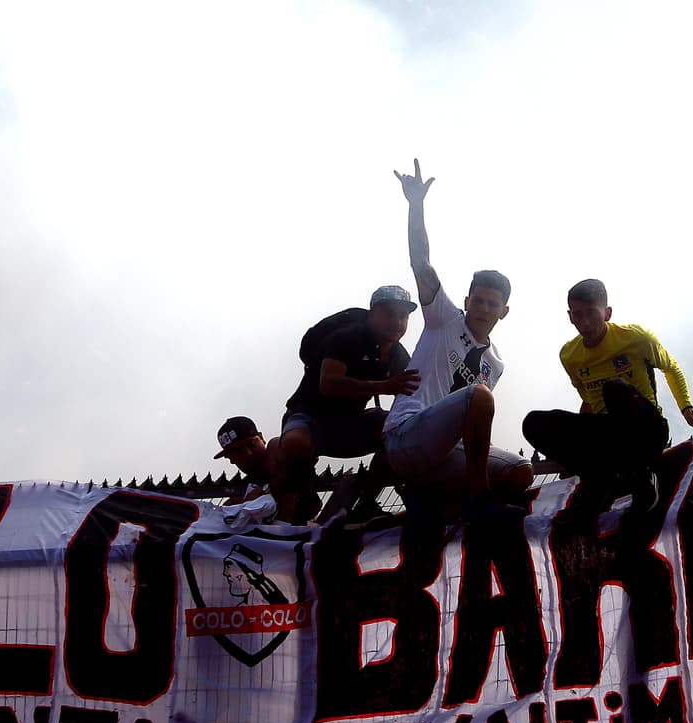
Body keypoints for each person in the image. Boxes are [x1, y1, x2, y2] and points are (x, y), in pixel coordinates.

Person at [382, 159, 533, 519]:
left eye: (491, 304)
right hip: (407, 438)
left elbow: (474, 425)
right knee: (478, 397)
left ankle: (431, 503)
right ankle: (479, 501)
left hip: (445, 457)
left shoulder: (494, 364)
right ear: (466, 302)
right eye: (477, 300)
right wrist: (415, 205)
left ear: (503, 312)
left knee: (520, 472)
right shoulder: (445, 320)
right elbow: (421, 263)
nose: (482, 308)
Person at [522, 278, 693, 512]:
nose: (585, 322)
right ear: (570, 316)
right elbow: (590, 402)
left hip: (646, 429)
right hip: (608, 435)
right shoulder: (570, 355)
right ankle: (598, 479)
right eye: (578, 315)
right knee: (533, 422)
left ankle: (641, 477)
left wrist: (689, 413)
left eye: (592, 313)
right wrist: (572, 453)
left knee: (615, 389)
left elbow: (671, 368)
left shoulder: (635, 338)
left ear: (607, 312)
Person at [278, 285, 419, 520]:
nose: (397, 322)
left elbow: (410, 398)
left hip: (350, 423)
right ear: (372, 313)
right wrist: (383, 387)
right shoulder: (348, 338)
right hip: (309, 416)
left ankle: (367, 501)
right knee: (294, 443)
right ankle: (306, 499)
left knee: (400, 432)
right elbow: (329, 384)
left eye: (403, 316)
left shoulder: (399, 356)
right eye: (389, 313)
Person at [213, 415, 320, 524]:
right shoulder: (239, 495)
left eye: (251, 444)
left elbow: (303, 453)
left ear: (261, 438)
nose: (248, 453)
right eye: (237, 451)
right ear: (230, 459)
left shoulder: (277, 452)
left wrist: (267, 491)